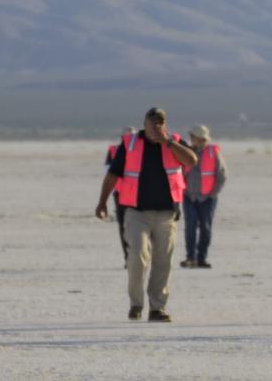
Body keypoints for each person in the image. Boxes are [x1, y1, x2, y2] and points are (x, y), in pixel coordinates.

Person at [95, 107, 197, 322]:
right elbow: (113, 174)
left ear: (165, 124)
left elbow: (191, 161)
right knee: (137, 257)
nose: (156, 126)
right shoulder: (130, 143)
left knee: (163, 261)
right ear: (145, 124)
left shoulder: (174, 142)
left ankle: (157, 308)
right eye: (152, 123)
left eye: (160, 122)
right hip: (136, 212)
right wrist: (102, 201)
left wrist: (166, 142)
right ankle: (136, 303)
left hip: (166, 213)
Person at [179, 124, 227, 269]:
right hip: (189, 197)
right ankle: (190, 258)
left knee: (206, 228)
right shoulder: (186, 152)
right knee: (190, 227)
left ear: (200, 138)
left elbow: (222, 175)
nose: (191, 138)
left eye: (193, 136)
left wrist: (213, 194)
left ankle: (202, 258)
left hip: (208, 198)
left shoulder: (213, 152)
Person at [105, 128, 135, 265]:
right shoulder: (113, 150)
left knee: (140, 226)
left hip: (138, 193)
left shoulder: (140, 150)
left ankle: (139, 257)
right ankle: (128, 257)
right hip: (120, 194)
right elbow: (108, 172)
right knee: (123, 226)